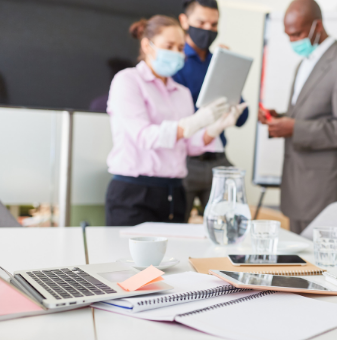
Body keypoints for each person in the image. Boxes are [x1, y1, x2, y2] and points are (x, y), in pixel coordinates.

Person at [105, 15, 247, 226]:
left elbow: (189, 145)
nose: (176, 53)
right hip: (134, 193)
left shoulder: (181, 93)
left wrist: (216, 127)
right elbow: (144, 137)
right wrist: (193, 123)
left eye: (180, 48)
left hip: (174, 193)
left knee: (174, 259)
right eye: (169, 46)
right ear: (147, 45)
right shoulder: (128, 81)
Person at [258, 0, 337, 234]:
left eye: (297, 34)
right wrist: (281, 119)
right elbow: (309, 114)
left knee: (324, 267)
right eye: (288, 35)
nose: (292, 41)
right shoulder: (303, 64)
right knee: (300, 265)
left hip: (326, 193)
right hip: (297, 189)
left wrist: (294, 128)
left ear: (317, 26)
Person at [174, 0, 249, 221]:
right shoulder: (176, 63)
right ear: (184, 21)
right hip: (185, 161)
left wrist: (226, 71)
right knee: (174, 227)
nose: (208, 29)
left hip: (217, 160)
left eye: (214, 24)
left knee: (232, 225)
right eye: (201, 22)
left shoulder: (219, 62)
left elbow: (242, 117)